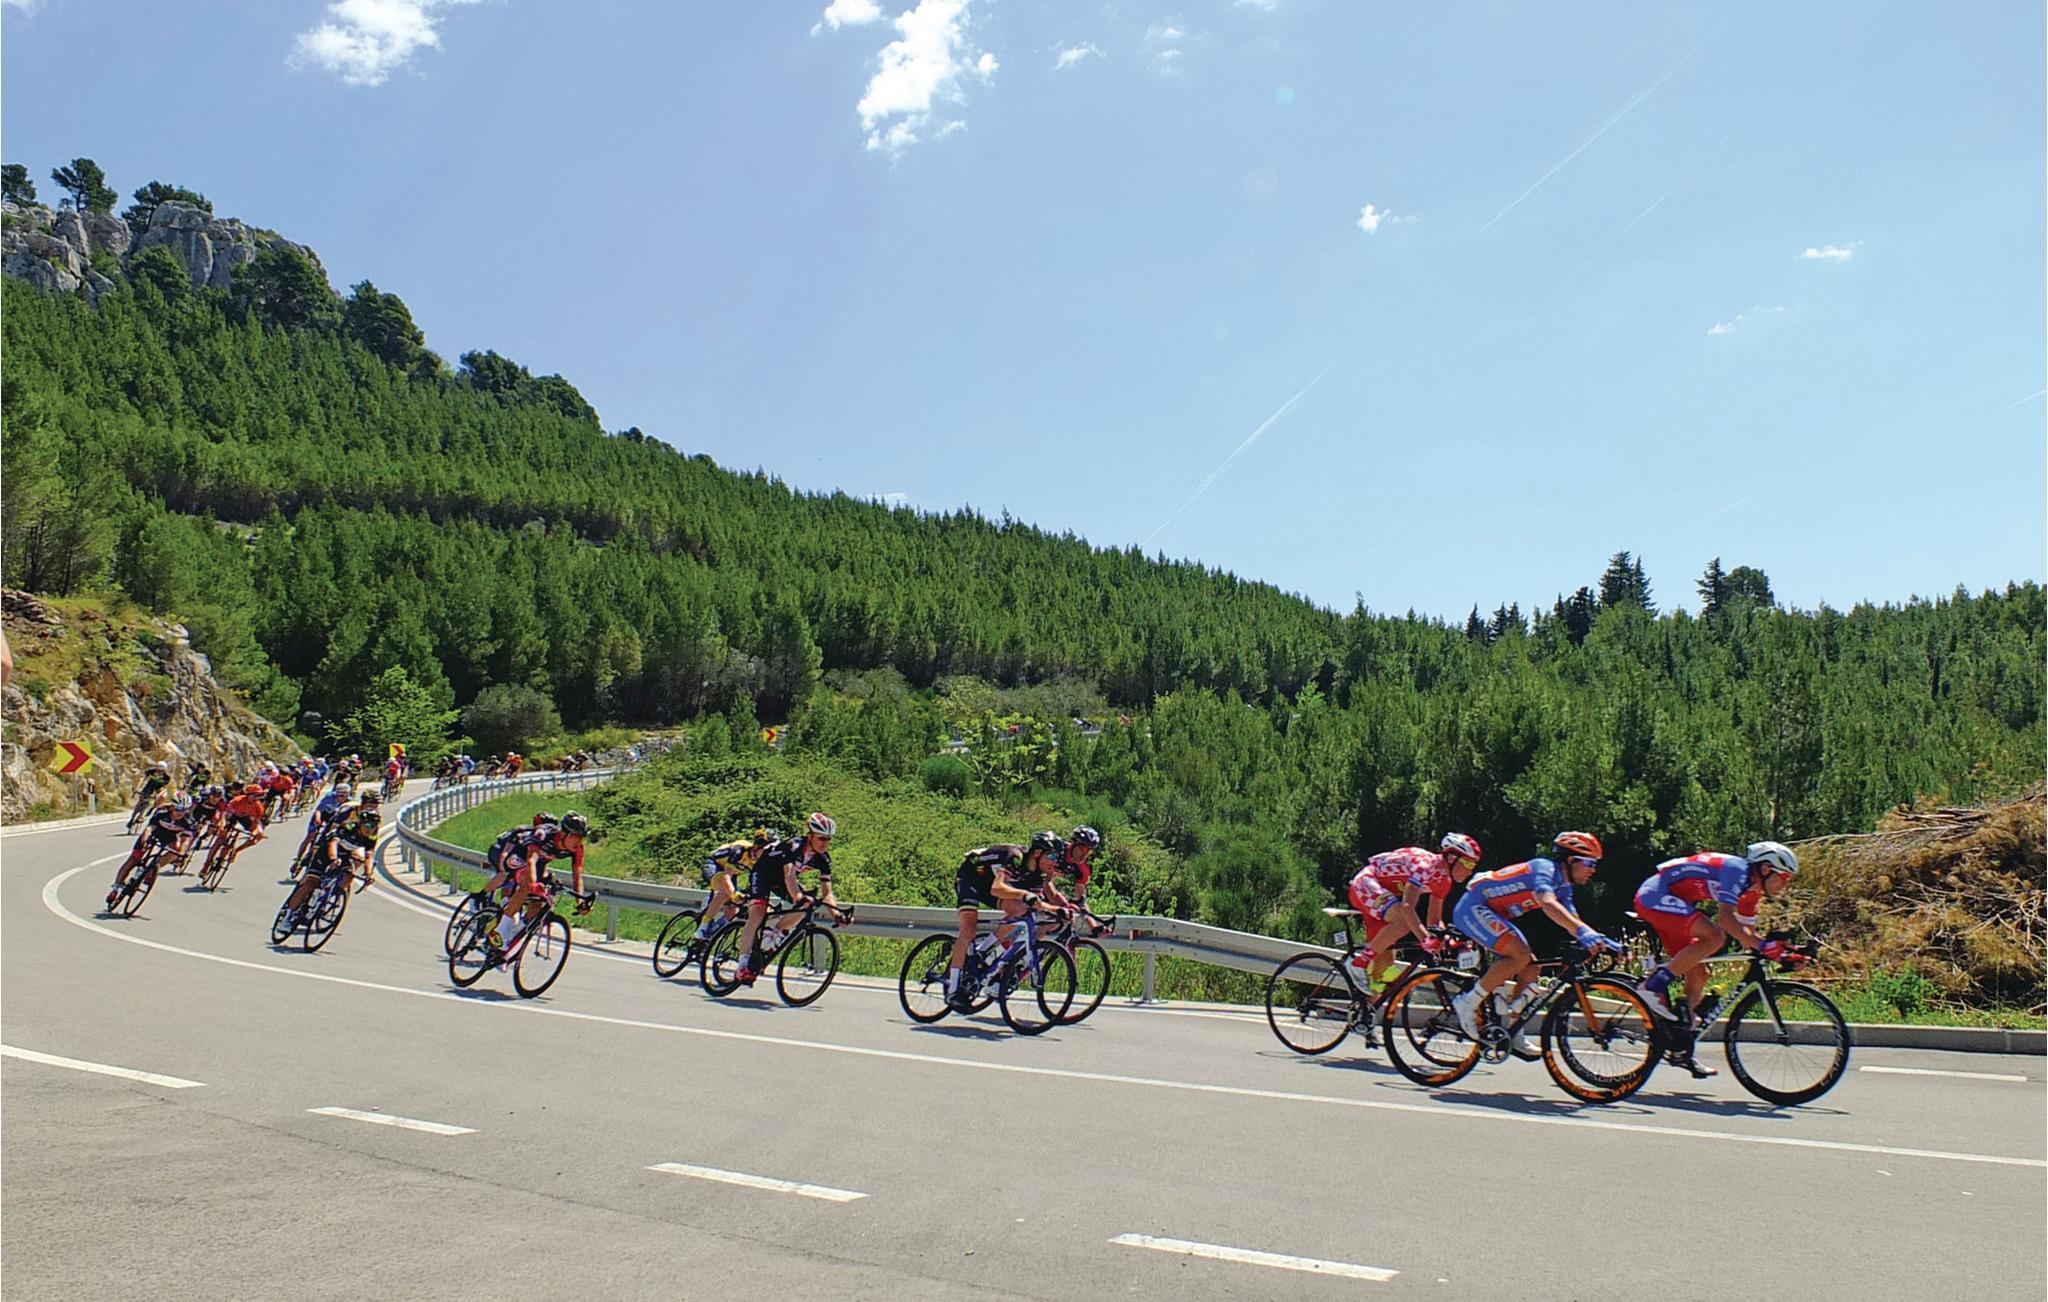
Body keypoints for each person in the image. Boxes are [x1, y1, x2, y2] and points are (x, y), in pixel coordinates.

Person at [1633, 842, 1802, 1068]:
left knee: (1699, 974)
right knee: (1715, 936)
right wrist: (1764, 946)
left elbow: (1747, 935)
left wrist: (1783, 953)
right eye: (1784, 877)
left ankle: (1681, 1046)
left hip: (1676, 902)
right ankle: (1652, 986)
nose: (1785, 884)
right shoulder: (1737, 870)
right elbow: (1726, 920)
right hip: (1655, 894)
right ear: (1765, 868)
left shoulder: (1751, 892)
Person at [1449, 831, 1621, 1054]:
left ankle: (1514, 1031)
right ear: (1571, 860)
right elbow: (1547, 903)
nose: (1593, 869)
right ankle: (1467, 1002)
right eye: (1590, 863)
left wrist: (1600, 939)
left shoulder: (1564, 886)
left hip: (1494, 913)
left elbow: (1572, 920)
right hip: (1474, 907)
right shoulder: (1544, 869)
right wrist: (1583, 933)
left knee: (1531, 967)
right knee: (1520, 955)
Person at [943, 831, 1075, 1011]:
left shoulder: (1039, 874)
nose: (1055, 861)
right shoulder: (1015, 857)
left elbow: (1037, 903)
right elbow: (997, 888)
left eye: (1057, 857)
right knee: (968, 930)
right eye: (1051, 856)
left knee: (1021, 909)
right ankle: (953, 990)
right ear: (1037, 853)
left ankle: (984, 951)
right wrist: (1024, 894)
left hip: (989, 884)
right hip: (972, 877)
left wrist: (1057, 910)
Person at [1344, 833, 1483, 988]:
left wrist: (1446, 940)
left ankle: (1368, 1000)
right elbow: (1407, 907)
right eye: (1468, 863)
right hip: (1367, 883)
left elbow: (1434, 921)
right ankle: (1358, 964)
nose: (1470, 871)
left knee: (1384, 969)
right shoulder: (1425, 867)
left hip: (1386, 896)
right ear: (1451, 858)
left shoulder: (1444, 881)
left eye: (1473, 865)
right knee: (1404, 922)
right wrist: (1426, 939)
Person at [733, 814, 843, 987]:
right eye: (821, 838)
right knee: (758, 913)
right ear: (810, 836)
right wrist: (797, 897)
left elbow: (827, 894)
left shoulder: (823, 859)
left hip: (781, 881)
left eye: (828, 839)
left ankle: (773, 933)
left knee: (807, 904)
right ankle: (742, 966)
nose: (825, 843)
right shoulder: (794, 846)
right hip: (763, 874)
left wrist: (836, 915)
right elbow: (789, 875)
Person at [486, 811, 594, 950]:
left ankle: (512, 936)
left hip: (539, 863)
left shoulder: (577, 849)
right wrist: (532, 883)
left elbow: (577, 876)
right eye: (576, 837)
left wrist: (580, 901)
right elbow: (531, 860)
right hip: (518, 856)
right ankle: (501, 929)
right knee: (527, 884)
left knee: (538, 905)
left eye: (582, 838)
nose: (579, 842)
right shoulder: (543, 834)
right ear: (563, 834)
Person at [281, 790, 382, 926]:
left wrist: (368, 873)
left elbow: (369, 854)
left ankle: (330, 895)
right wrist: (330, 855)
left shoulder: (373, 823)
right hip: (330, 844)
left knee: (351, 871)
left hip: (348, 848)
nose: (374, 807)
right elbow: (332, 835)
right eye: (371, 804)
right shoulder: (348, 815)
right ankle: (289, 914)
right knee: (311, 881)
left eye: (376, 805)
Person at [108, 793, 201, 908]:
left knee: (176, 850)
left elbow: (186, 840)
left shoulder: (189, 821)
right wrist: (144, 841)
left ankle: (154, 868)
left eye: (184, 810)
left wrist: (182, 853)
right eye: (178, 809)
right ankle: (115, 888)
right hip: (154, 833)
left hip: (170, 837)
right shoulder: (162, 812)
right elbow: (149, 828)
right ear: (172, 807)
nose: (181, 813)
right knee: (135, 858)